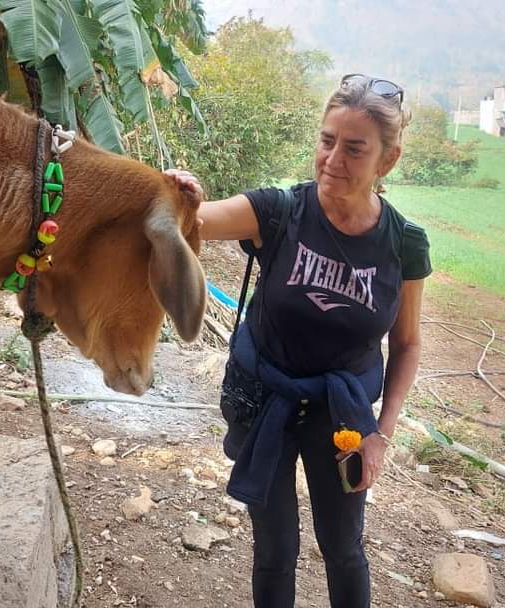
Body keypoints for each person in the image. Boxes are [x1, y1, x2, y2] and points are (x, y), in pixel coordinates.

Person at [166, 74, 430, 607]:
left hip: (343, 411)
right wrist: (183, 196)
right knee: (275, 549)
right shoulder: (281, 210)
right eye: (327, 141)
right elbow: (197, 221)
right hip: (266, 400)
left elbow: (407, 345)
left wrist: (383, 432)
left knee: (343, 545)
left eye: (355, 149)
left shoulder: (403, 243)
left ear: (388, 160)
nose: (334, 159)